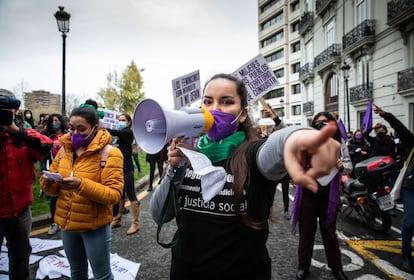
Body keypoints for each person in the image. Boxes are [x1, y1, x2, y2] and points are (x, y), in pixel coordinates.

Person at [149, 73, 341, 280]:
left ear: (242, 114)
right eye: (207, 101)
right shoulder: (188, 156)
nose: (214, 109)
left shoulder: (254, 155)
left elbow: (277, 144)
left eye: (226, 101)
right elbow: (159, 214)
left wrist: (299, 137)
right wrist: (174, 168)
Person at [39, 106, 124, 280]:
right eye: (71, 128)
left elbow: (114, 195)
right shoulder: (64, 151)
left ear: (95, 128)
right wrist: (47, 183)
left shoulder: (110, 153)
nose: (74, 133)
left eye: (81, 129)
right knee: (77, 273)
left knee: (102, 276)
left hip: (94, 227)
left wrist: (81, 185)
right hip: (68, 226)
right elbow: (53, 190)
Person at [291, 112, 352, 280]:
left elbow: (349, 167)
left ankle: (336, 267)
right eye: (318, 123)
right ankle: (303, 267)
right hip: (308, 195)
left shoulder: (339, 144)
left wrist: (341, 166)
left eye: (325, 122)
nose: (321, 125)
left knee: (329, 233)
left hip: (329, 197)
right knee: (307, 233)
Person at [0, 88, 53, 280]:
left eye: (6, 114)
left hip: (19, 210)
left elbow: (46, 147)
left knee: (20, 257)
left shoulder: (22, 136)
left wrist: (18, 132)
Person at [372, 105, 414, 273]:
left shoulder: (389, 141)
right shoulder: (375, 140)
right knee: (410, 221)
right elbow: (402, 130)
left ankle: (387, 209)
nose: (380, 131)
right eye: (379, 129)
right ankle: (406, 255)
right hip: (409, 185)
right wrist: (385, 116)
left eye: (381, 129)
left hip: (388, 171)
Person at [108, 113, 141, 235]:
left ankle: (135, 223)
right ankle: (117, 219)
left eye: (123, 120)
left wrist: (102, 128)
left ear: (128, 122)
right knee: (120, 195)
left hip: (127, 168)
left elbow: (116, 132)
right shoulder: (119, 133)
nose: (120, 122)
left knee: (131, 195)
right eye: (119, 120)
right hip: (118, 168)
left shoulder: (127, 132)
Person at [43, 113, 69, 235]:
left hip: (66, 169)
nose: (54, 122)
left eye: (56, 120)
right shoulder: (47, 136)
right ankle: (54, 222)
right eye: (52, 121)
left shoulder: (67, 135)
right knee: (54, 198)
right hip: (53, 168)